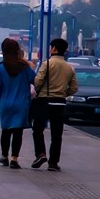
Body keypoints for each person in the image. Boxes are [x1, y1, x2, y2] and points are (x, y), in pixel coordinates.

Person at [31, 37, 78, 171]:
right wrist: (63, 93)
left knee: (38, 129)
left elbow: (38, 81)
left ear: (54, 49)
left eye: (51, 47)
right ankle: (53, 162)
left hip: (44, 100)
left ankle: (40, 153)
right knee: (57, 134)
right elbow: (74, 88)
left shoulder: (47, 64)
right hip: (60, 102)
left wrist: (38, 91)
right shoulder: (69, 68)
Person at [0, 38, 35, 168]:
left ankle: (4, 156)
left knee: (6, 131)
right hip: (21, 104)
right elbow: (34, 80)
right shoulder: (25, 67)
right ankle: (14, 159)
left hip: (5, 103)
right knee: (18, 132)